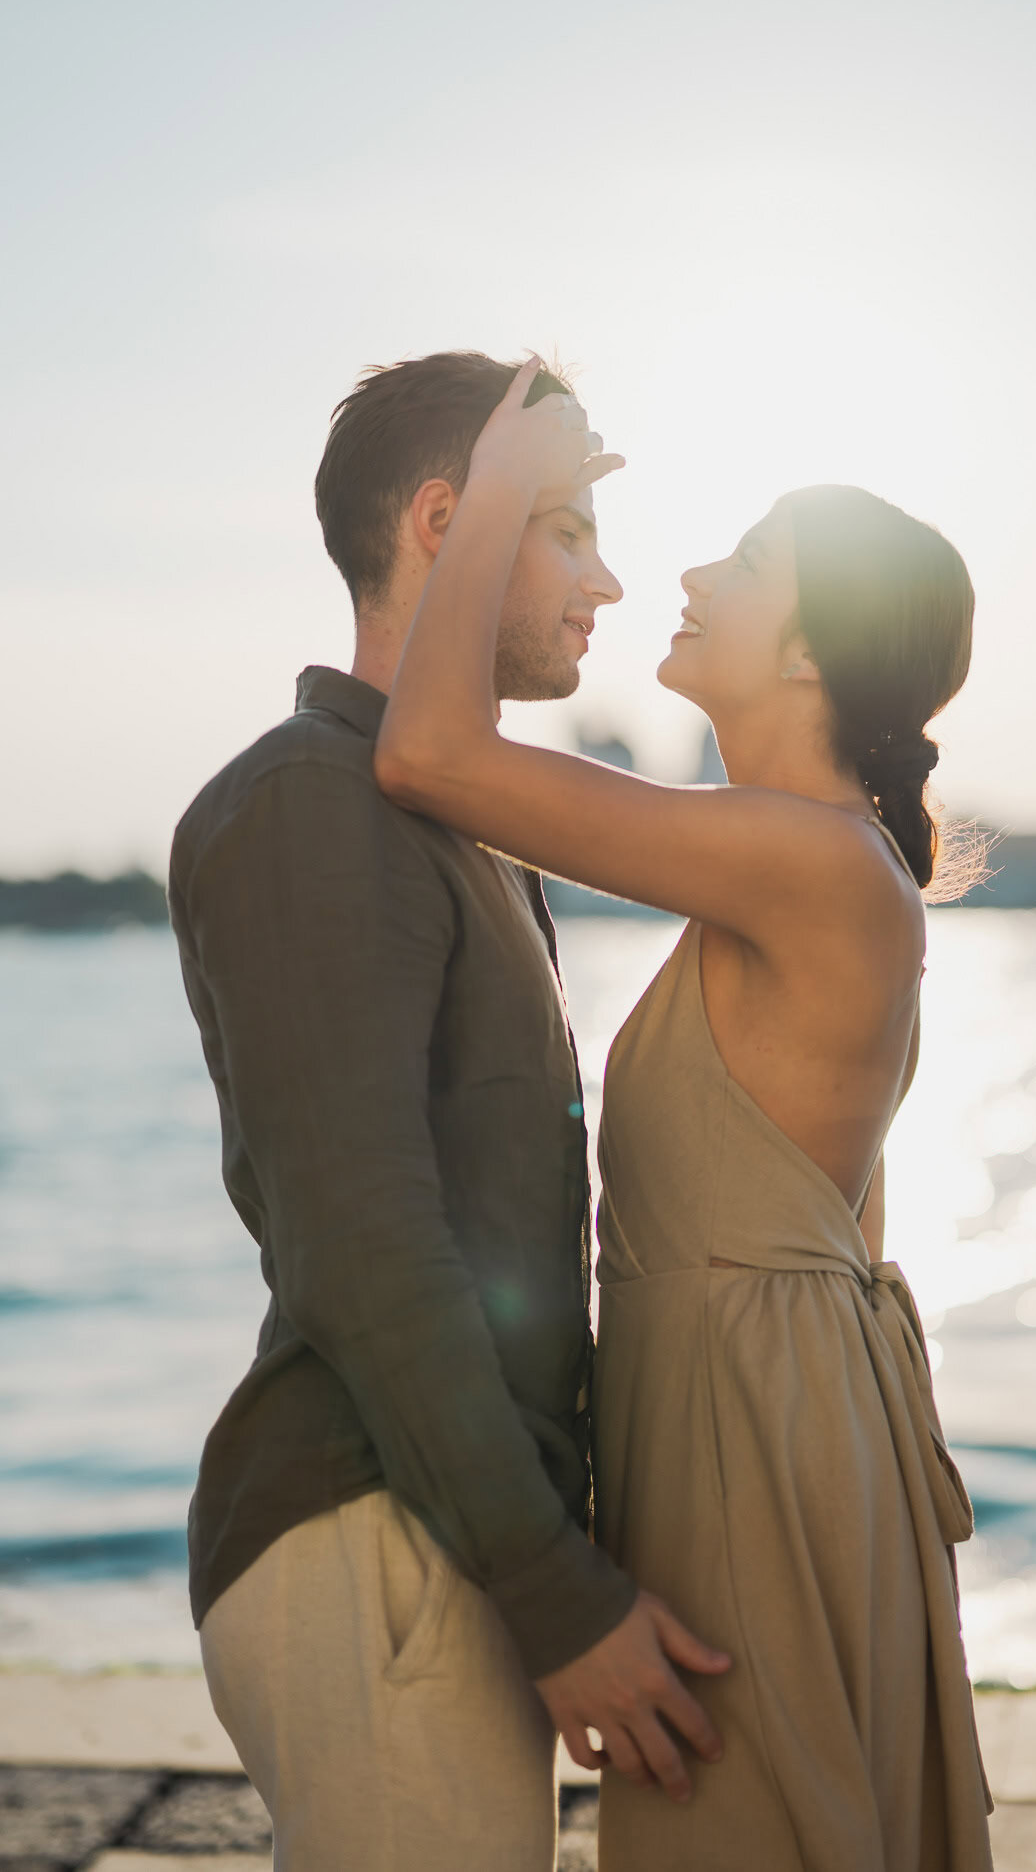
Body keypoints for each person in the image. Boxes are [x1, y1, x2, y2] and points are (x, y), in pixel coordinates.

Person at [375, 360, 995, 1869]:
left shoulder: (816, 866)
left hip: (747, 1436)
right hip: (763, 1409)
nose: (694, 575)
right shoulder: (796, 867)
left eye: (752, 562)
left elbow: (428, 756)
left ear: (811, 660)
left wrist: (501, 498)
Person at [168, 351, 729, 1872]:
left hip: (444, 1536)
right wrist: (558, 1595)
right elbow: (364, 1247)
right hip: (376, 1545)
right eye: (564, 529)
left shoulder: (461, 825)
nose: (605, 580)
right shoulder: (311, 799)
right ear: (446, 521)